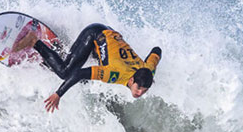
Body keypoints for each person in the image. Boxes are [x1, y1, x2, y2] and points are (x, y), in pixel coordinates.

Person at [13, 23, 161, 113]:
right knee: (65, 73)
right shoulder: (114, 73)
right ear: (132, 80)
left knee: (83, 81)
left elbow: (157, 50)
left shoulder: (148, 69)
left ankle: (58, 55)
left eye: (144, 90)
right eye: (139, 88)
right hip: (95, 34)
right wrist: (58, 94)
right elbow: (79, 73)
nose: (140, 93)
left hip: (109, 36)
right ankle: (34, 41)